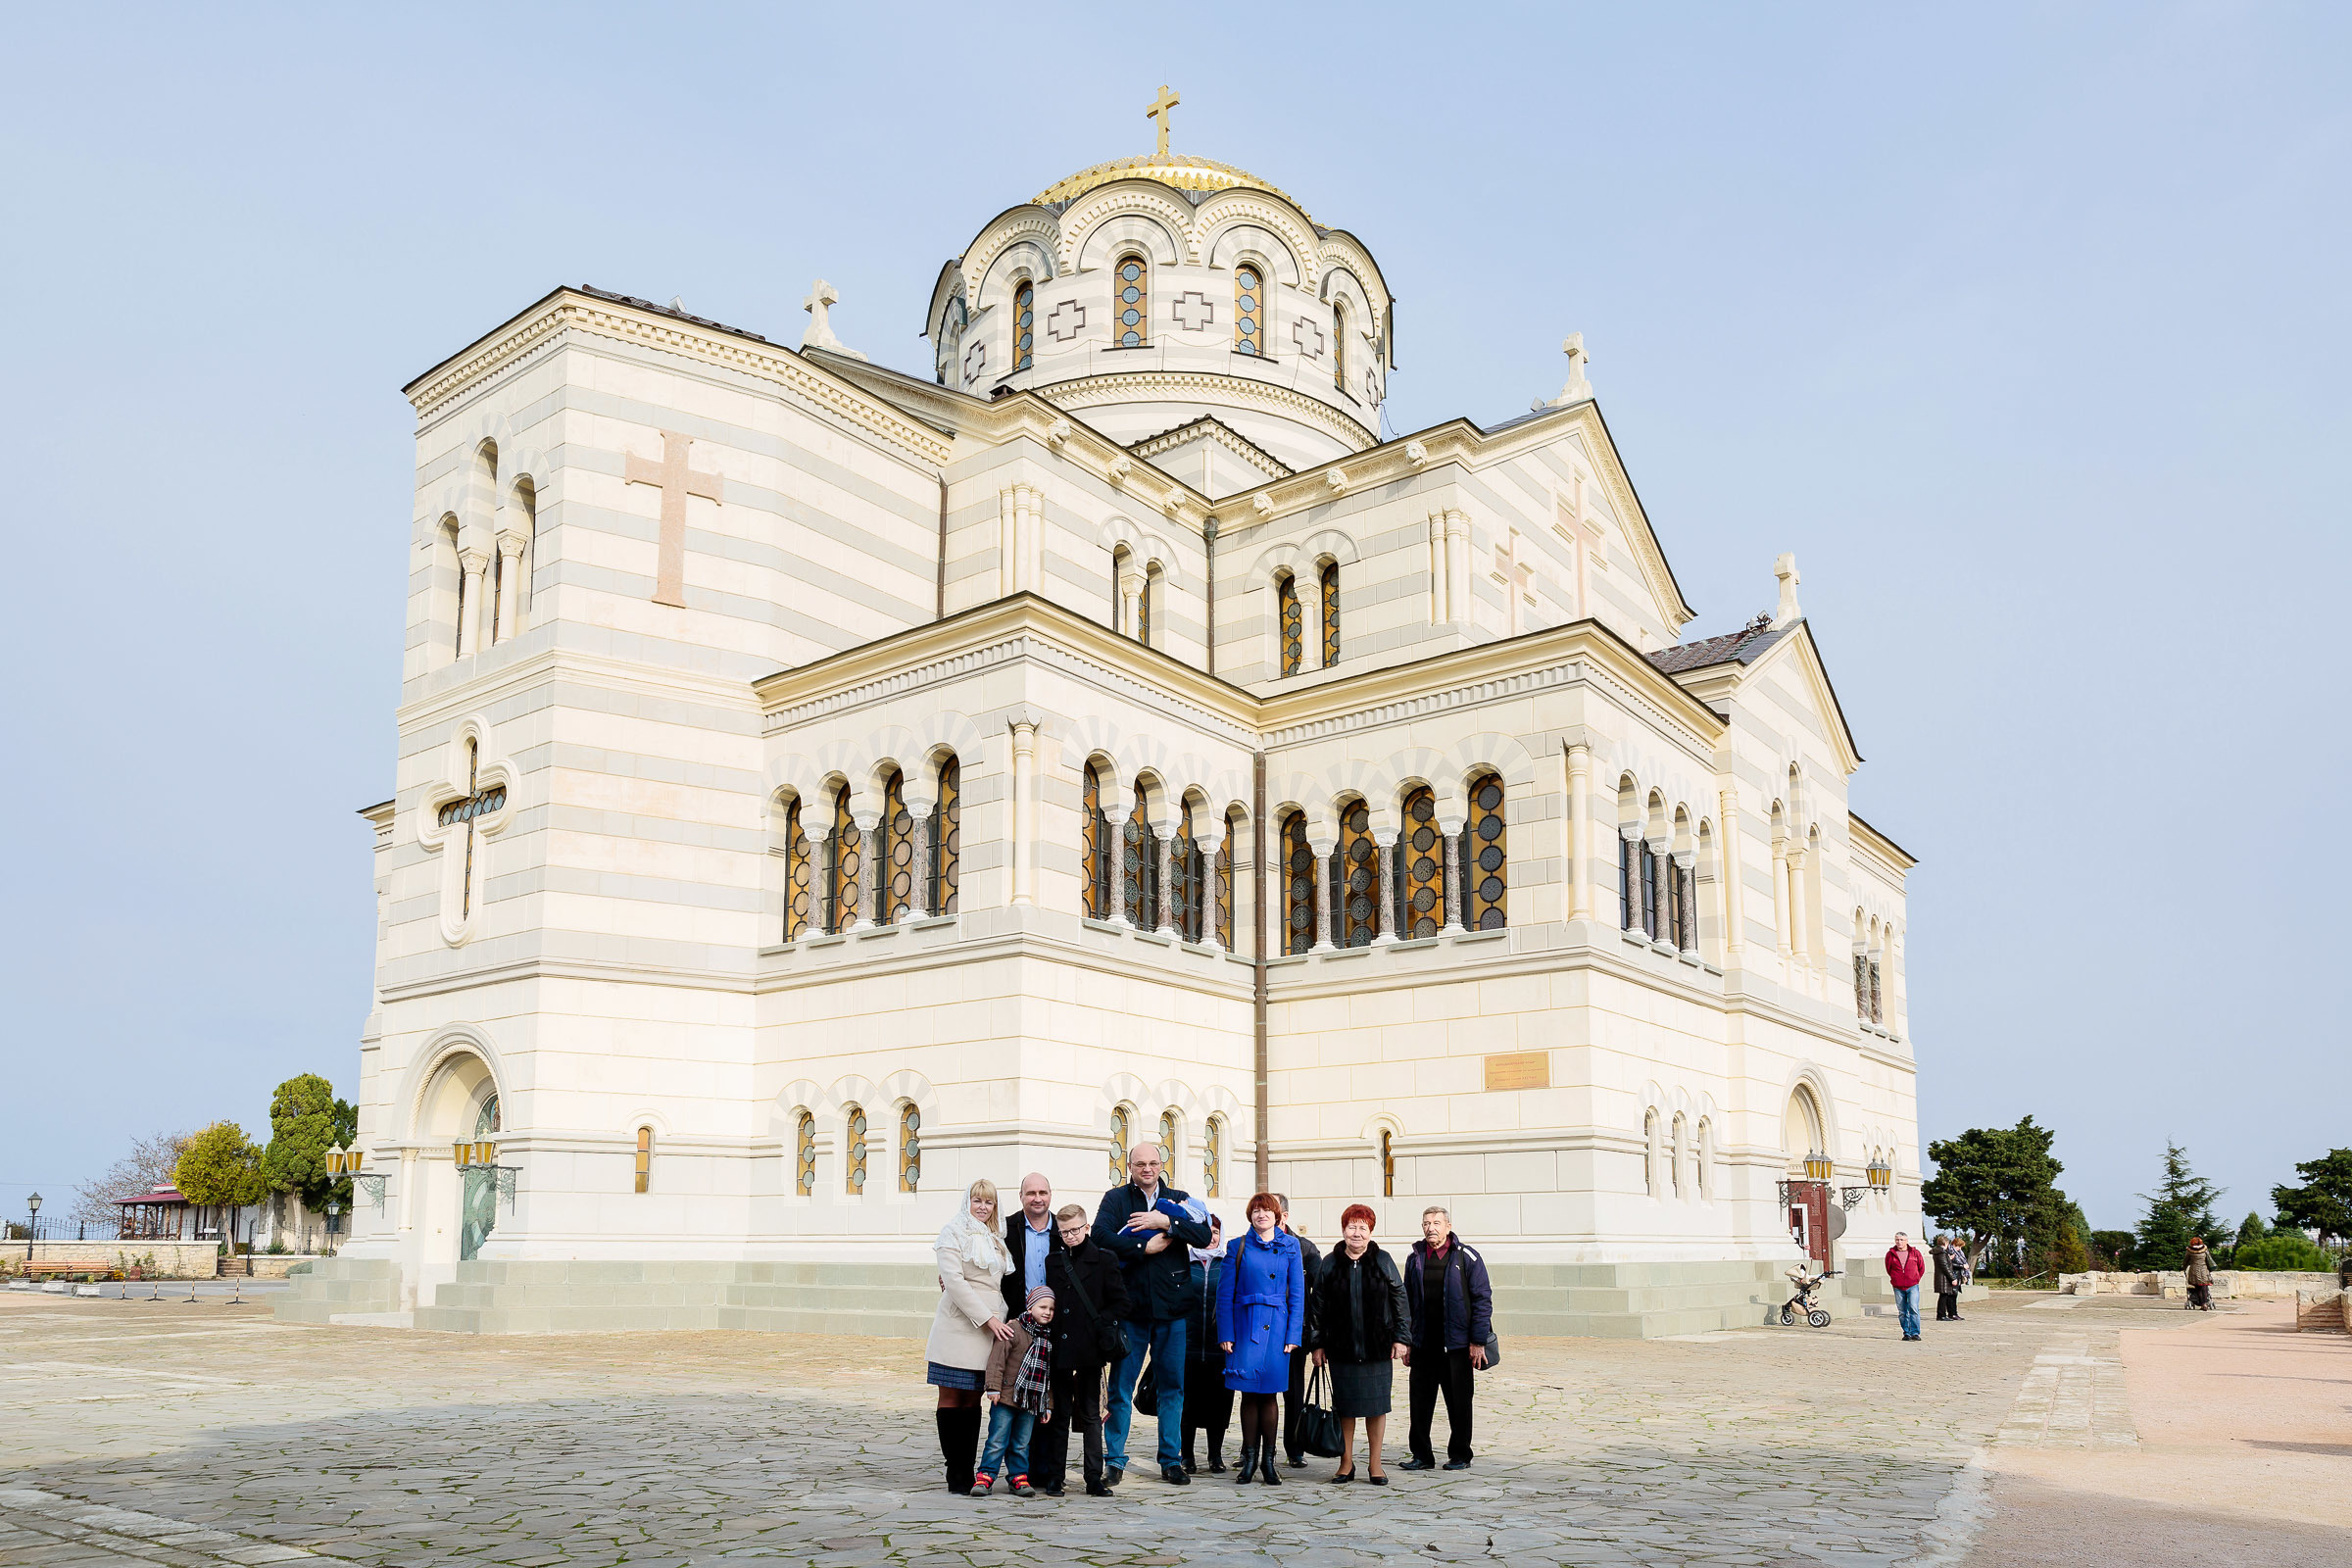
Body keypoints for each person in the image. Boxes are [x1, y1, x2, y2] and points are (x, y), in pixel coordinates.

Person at [1094, 1142, 1213, 1486]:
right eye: (1140, 1164)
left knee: (1172, 1387)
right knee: (1120, 1387)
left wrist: (1167, 1222)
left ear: (1162, 1164)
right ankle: (1114, 1460)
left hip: (1173, 1308)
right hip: (1131, 1309)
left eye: (1153, 1163)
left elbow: (1204, 1234)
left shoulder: (1179, 1198)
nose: (1147, 1169)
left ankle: (1170, 1460)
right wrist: (1141, 1247)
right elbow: (1100, 1236)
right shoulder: (1115, 1200)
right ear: (1129, 1167)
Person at [926, 1178, 1017, 1494]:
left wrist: (999, 1320)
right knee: (952, 1398)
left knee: (972, 1400)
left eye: (989, 1202)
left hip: (988, 1331)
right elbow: (954, 1281)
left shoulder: (995, 1238)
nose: (982, 1207)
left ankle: (969, 1466)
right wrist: (988, 1319)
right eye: (977, 1200)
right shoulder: (952, 1232)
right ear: (968, 1202)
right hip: (958, 1327)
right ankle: (956, 1470)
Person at [1307, 1202, 1409, 1485]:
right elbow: (1317, 1307)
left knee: (1377, 1407)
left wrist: (1402, 1338)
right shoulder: (1329, 1262)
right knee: (1346, 1408)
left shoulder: (1383, 1260)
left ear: (1371, 1232)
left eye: (1363, 1227)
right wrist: (1317, 1344)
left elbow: (1400, 1299)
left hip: (1377, 1347)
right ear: (1343, 1230)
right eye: (1352, 1227)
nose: (1357, 1233)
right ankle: (1346, 1463)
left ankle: (1375, 1465)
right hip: (1341, 1349)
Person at [1219, 1191, 1306, 1487]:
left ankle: (1269, 1461)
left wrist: (1294, 1334)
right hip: (1245, 1327)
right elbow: (1224, 1293)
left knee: (1269, 1394)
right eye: (1256, 1210)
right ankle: (1250, 1459)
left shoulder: (1291, 1246)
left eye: (1267, 1210)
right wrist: (1226, 1334)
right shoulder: (1236, 1246)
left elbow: (1297, 1295)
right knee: (1247, 1393)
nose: (1261, 1215)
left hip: (1278, 1328)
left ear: (1278, 1215)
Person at [1045, 1201, 1126, 1497]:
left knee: (1092, 1414)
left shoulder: (1104, 1260)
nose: (1070, 1235)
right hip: (1061, 1349)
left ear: (1087, 1227)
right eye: (1064, 1231)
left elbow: (1120, 1301)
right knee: (1060, 1414)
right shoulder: (1054, 1262)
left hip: (1090, 1350)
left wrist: (1100, 1327)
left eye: (1075, 1229)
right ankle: (1055, 1476)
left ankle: (1093, 1477)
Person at [1400, 1205, 1491, 1472]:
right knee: (1419, 1404)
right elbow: (1406, 1302)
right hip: (1423, 1345)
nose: (1431, 1228)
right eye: (1426, 1223)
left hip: (1457, 1347)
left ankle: (1460, 1454)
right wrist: (1406, 1340)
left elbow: (1482, 1300)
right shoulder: (1414, 1258)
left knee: (1460, 1404)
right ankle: (1422, 1455)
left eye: (1437, 1223)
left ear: (1448, 1227)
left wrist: (1477, 1341)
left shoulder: (1466, 1257)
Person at [1001, 1173, 1066, 1492]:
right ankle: (1019, 1469)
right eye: (1030, 1193)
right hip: (1020, 1326)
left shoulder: (1063, 1229)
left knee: (1049, 1398)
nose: (1037, 1198)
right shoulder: (1007, 1228)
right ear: (1021, 1196)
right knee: (1018, 1398)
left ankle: (1046, 1470)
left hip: (1057, 1325)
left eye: (1042, 1192)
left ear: (1050, 1195)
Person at [974, 1286, 1057, 1496]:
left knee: (1022, 1443)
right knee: (997, 1439)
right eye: (1042, 1307)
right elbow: (996, 1360)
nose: (1047, 1312)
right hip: (1005, 1397)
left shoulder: (1047, 1338)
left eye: (1051, 1308)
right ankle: (985, 1477)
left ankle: (1018, 1478)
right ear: (1030, 1308)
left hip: (1031, 1401)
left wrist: (1047, 1404)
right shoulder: (1013, 1329)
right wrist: (993, 1387)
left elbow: (1046, 1376)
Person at [1272, 1193, 1323, 1468]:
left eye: (1272, 1209)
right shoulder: (1249, 1244)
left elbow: (1320, 1293)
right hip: (1262, 1333)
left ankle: (1294, 1448)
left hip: (1294, 1333)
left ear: (1284, 1216)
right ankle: (1251, 1448)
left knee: (1293, 1394)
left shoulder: (1305, 1248)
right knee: (1257, 1393)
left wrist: (1315, 1336)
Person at [1182, 1214, 1234, 1474]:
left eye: (1215, 1231)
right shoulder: (1183, 1260)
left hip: (1220, 1346)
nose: (1211, 1237)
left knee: (1219, 1402)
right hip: (1187, 1344)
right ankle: (1187, 1455)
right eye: (1205, 1231)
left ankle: (1215, 1455)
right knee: (1187, 1402)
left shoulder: (1228, 1262)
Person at [1886, 1230, 1927, 1342]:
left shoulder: (1915, 1253)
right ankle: (1906, 1333)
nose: (1899, 1242)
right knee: (1902, 1311)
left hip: (1912, 1285)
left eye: (1901, 1240)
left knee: (1913, 1308)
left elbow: (1921, 1268)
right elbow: (1889, 1269)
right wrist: (1895, 1278)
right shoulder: (1890, 1254)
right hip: (1898, 1286)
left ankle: (1915, 1332)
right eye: (1897, 1240)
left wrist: (1915, 1278)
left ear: (1906, 1241)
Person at [1932, 1236, 1961, 1322]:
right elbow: (1945, 1266)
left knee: (1943, 1296)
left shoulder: (1938, 1252)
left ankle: (1942, 1314)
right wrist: (1953, 1278)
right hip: (1943, 1277)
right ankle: (1941, 1315)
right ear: (1946, 1243)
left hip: (1941, 1276)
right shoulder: (1942, 1253)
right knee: (1943, 1296)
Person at [2184, 1236, 2214, 1310]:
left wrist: (2183, 1267)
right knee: (2204, 1287)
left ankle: (2202, 1304)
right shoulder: (2205, 1249)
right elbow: (2209, 1259)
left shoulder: (2190, 1250)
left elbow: (2186, 1260)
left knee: (2198, 1288)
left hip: (2194, 1270)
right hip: (2204, 1270)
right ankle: (2205, 1303)